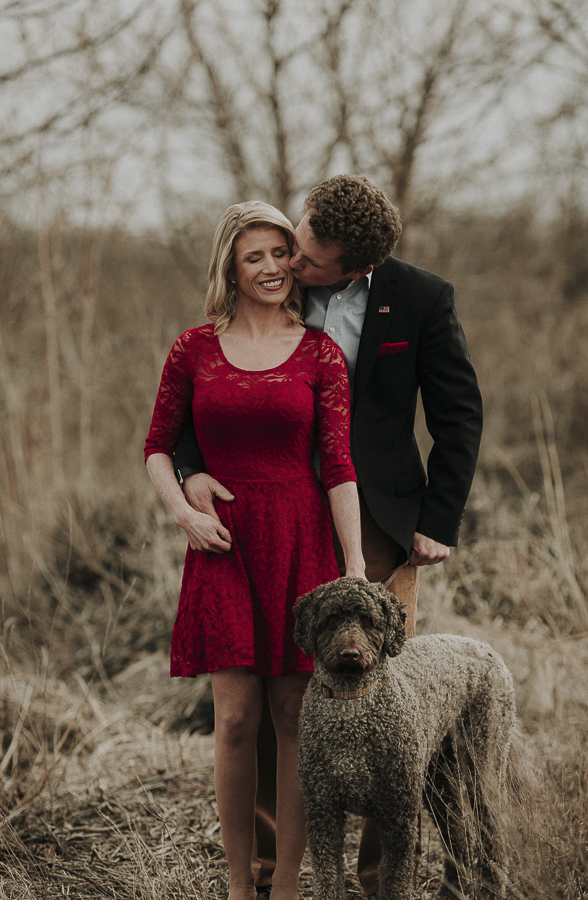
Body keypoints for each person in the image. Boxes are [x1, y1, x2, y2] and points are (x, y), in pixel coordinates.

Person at [171, 175, 483, 899]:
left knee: (382, 703)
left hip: (374, 523)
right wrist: (189, 472)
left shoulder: (422, 299)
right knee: (277, 700)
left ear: (355, 267)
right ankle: (267, 871)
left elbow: (458, 414)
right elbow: (200, 393)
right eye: (296, 241)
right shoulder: (271, 272)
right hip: (262, 516)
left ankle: (376, 881)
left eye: (311, 258)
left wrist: (437, 522)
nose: (293, 264)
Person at [144, 200, 365, 900]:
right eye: (254, 257)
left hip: (302, 542)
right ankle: (240, 886)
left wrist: (354, 565)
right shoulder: (193, 348)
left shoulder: (320, 353)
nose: (272, 267)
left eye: (280, 254)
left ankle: (291, 884)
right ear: (230, 269)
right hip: (224, 545)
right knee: (235, 721)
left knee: (297, 717)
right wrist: (182, 507)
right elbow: (156, 447)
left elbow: (338, 465)